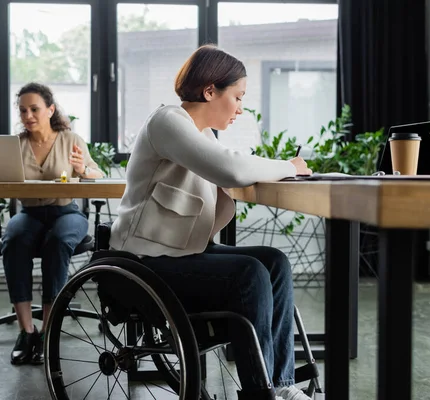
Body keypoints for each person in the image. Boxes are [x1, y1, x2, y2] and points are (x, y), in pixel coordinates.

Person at [109, 44, 313, 400]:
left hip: (182, 253)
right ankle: (259, 392)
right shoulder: (168, 121)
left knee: (274, 262)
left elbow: (229, 165)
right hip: (144, 262)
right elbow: (230, 168)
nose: (241, 107)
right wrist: (289, 168)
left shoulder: (202, 135)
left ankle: (281, 387)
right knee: (249, 273)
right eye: (238, 96)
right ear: (209, 91)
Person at [1, 82, 104, 366]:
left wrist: (83, 170)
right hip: (30, 213)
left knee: (57, 242)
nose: (28, 115)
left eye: (34, 109)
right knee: (14, 240)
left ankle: (48, 332)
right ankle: (26, 332)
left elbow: (97, 173)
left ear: (50, 109)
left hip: (65, 212)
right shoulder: (16, 145)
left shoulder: (70, 139)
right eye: (23, 110)